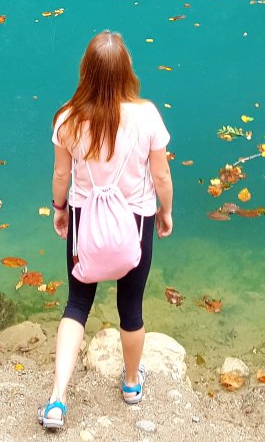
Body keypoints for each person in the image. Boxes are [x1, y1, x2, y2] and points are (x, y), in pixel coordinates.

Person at [37, 30, 174, 431]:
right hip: (135, 221)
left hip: (86, 221)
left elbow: (62, 174)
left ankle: (57, 400)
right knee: (130, 308)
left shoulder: (68, 118)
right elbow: (161, 174)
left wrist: (60, 210)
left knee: (77, 304)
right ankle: (131, 385)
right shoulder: (147, 115)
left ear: (86, 71)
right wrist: (166, 213)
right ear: (127, 70)